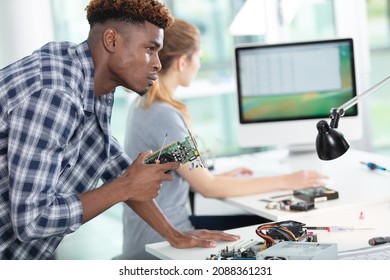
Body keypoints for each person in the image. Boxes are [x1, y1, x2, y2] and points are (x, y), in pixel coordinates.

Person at [0, 0, 239, 260]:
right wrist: (125, 187)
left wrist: (174, 235)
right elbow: (32, 219)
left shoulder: (89, 80)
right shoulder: (56, 95)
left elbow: (118, 168)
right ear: (112, 40)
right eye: (150, 49)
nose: (158, 63)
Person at [122, 18, 329, 259]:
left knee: (261, 222)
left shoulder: (144, 105)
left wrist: (215, 177)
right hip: (165, 240)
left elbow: (189, 176)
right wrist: (289, 180)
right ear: (182, 62)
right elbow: (208, 188)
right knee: (274, 228)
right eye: (198, 57)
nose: (199, 64)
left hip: (147, 235)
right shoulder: (165, 115)